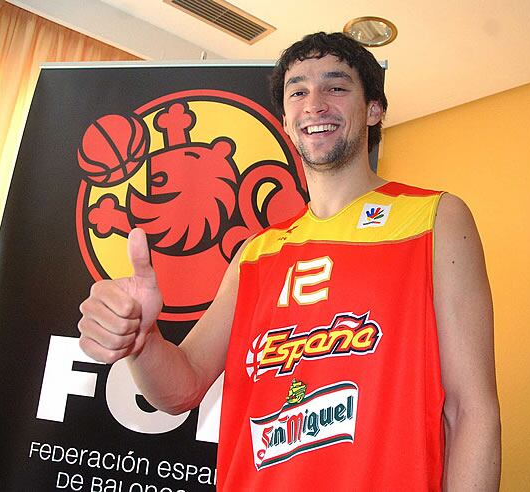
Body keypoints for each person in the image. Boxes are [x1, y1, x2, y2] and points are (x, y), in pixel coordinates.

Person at [78, 32, 501, 490]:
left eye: (335, 87)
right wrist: (143, 339)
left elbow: (471, 411)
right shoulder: (256, 253)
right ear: (285, 119)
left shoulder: (434, 217)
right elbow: (180, 391)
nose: (314, 103)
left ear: (374, 109)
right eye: (298, 91)